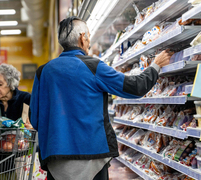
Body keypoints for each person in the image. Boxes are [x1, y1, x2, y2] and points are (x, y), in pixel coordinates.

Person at [30, 16, 173, 180]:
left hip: (55, 159)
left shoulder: (43, 72)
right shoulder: (92, 66)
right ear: (82, 38)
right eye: (88, 35)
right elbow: (135, 87)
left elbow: (35, 119)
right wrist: (156, 65)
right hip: (92, 156)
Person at [0, 64, 32, 179]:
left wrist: (31, 126)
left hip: (23, 159)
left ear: (10, 84)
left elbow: (36, 122)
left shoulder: (25, 99)